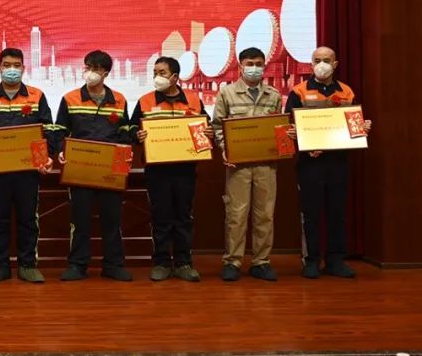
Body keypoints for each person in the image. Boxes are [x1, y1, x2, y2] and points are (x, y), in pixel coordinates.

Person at [0, 48, 61, 284]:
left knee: (28, 219)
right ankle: (0, 265)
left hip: (27, 171)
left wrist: (48, 156)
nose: (12, 69)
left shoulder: (37, 96)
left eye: (16, 65)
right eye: (7, 65)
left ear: (23, 68)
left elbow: (48, 129)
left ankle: (27, 264)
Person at [284, 46, 371, 279]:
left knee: (337, 213)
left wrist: (361, 128)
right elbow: (289, 127)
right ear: (311, 64)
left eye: (326, 60)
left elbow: (352, 126)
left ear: (335, 64)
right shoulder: (299, 91)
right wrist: (303, 142)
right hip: (309, 163)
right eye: (317, 60)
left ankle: (335, 260)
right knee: (311, 214)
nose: (321, 64)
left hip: (338, 162)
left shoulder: (346, 92)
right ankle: (311, 260)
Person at [56, 50, 136, 282]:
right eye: (87, 67)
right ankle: (77, 265)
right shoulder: (70, 98)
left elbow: (124, 131)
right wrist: (60, 150)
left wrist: (126, 150)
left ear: (105, 73)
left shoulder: (119, 100)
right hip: (79, 169)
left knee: (112, 219)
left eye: (96, 69)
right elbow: (59, 130)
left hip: (110, 170)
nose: (90, 73)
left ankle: (113, 265)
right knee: (80, 220)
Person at [132, 56, 213, 282]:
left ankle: (183, 263)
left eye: (162, 73)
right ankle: (161, 263)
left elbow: (206, 127)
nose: (157, 77)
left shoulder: (194, 100)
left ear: (175, 77)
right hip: (157, 170)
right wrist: (137, 135)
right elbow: (130, 128)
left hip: (185, 169)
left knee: (183, 216)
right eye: (155, 73)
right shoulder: (145, 101)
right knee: (161, 216)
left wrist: (208, 132)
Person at [211, 47, 283, 282]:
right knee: (236, 214)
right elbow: (217, 125)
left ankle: (261, 262)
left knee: (265, 215)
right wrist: (225, 148)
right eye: (250, 63)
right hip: (238, 165)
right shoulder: (227, 93)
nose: (254, 68)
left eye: (259, 64)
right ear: (240, 66)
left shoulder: (273, 95)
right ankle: (232, 261)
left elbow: (278, 127)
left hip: (266, 164)